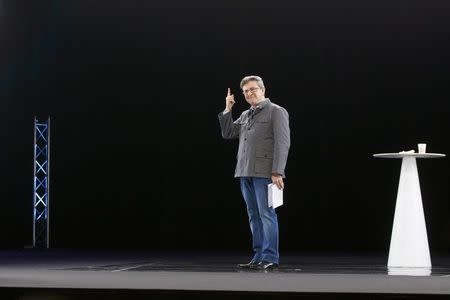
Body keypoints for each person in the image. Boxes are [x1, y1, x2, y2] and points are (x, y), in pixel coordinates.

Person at [218, 75, 290, 270]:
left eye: (253, 89)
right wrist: (228, 109)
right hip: (244, 172)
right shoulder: (246, 114)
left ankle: (270, 257)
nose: (249, 93)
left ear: (263, 90)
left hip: (265, 173)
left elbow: (283, 144)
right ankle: (258, 256)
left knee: (267, 214)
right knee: (253, 215)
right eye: (246, 91)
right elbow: (228, 133)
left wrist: (277, 171)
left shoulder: (276, 112)